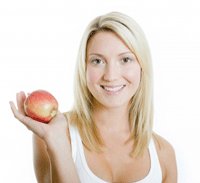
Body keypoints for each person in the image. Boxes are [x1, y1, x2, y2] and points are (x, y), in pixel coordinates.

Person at [10, 11, 177, 183]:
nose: (111, 76)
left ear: (142, 66)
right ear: (84, 68)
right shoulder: (52, 133)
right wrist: (58, 143)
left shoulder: (163, 154)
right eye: (98, 61)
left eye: (125, 60)